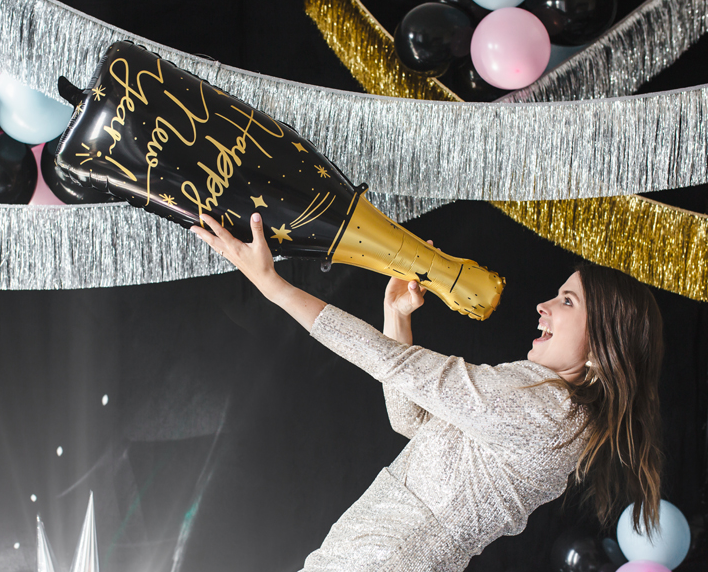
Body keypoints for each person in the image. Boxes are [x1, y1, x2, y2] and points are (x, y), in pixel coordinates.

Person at [191, 212, 664, 572]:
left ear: (604, 346)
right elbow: (414, 422)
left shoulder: (544, 408)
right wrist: (397, 316)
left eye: (566, 301)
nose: (542, 306)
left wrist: (272, 284)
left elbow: (398, 366)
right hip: (371, 552)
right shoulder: (553, 406)